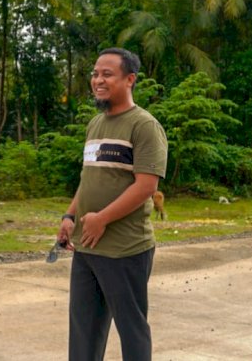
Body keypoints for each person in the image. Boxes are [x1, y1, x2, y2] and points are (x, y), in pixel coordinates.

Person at [57, 48, 168, 361]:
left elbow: (146, 185)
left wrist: (102, 218)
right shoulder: (95, 124)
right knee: (83, 332)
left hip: (124, 249)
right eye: (95, 74)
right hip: (87, 246)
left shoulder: (144, 125)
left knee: (131, 330)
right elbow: (89, 178)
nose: (97, 80)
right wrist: (70, 216)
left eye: (107, 74)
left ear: (129, 79)